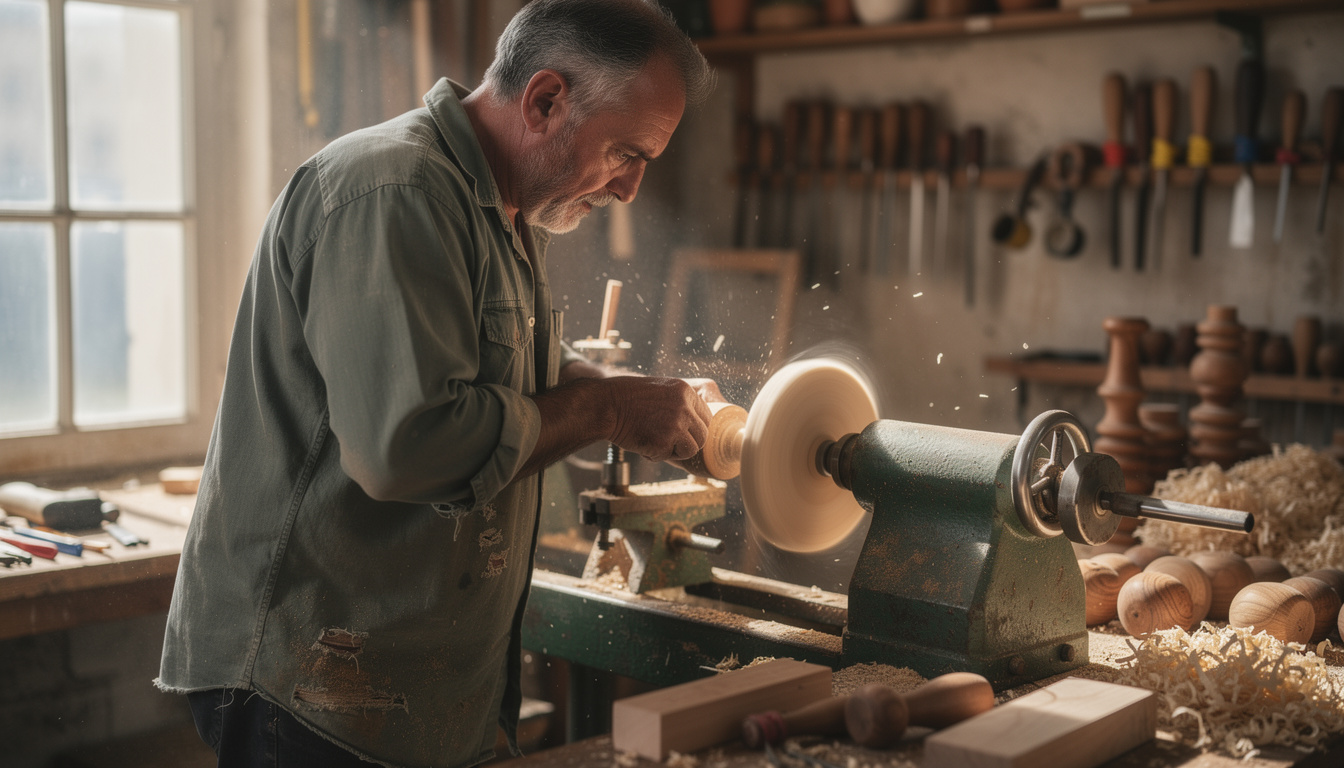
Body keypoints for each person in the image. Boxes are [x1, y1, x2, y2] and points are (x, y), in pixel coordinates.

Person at [156, 1, 717, 766]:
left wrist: (635, 402)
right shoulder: (395, 191)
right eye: (625, 153)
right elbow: (408, 448)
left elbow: (515, 376)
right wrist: (610, 407)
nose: (629, 190)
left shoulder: (501, 210)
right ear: (546, 100)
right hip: (314, 681)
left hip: (408, 682)